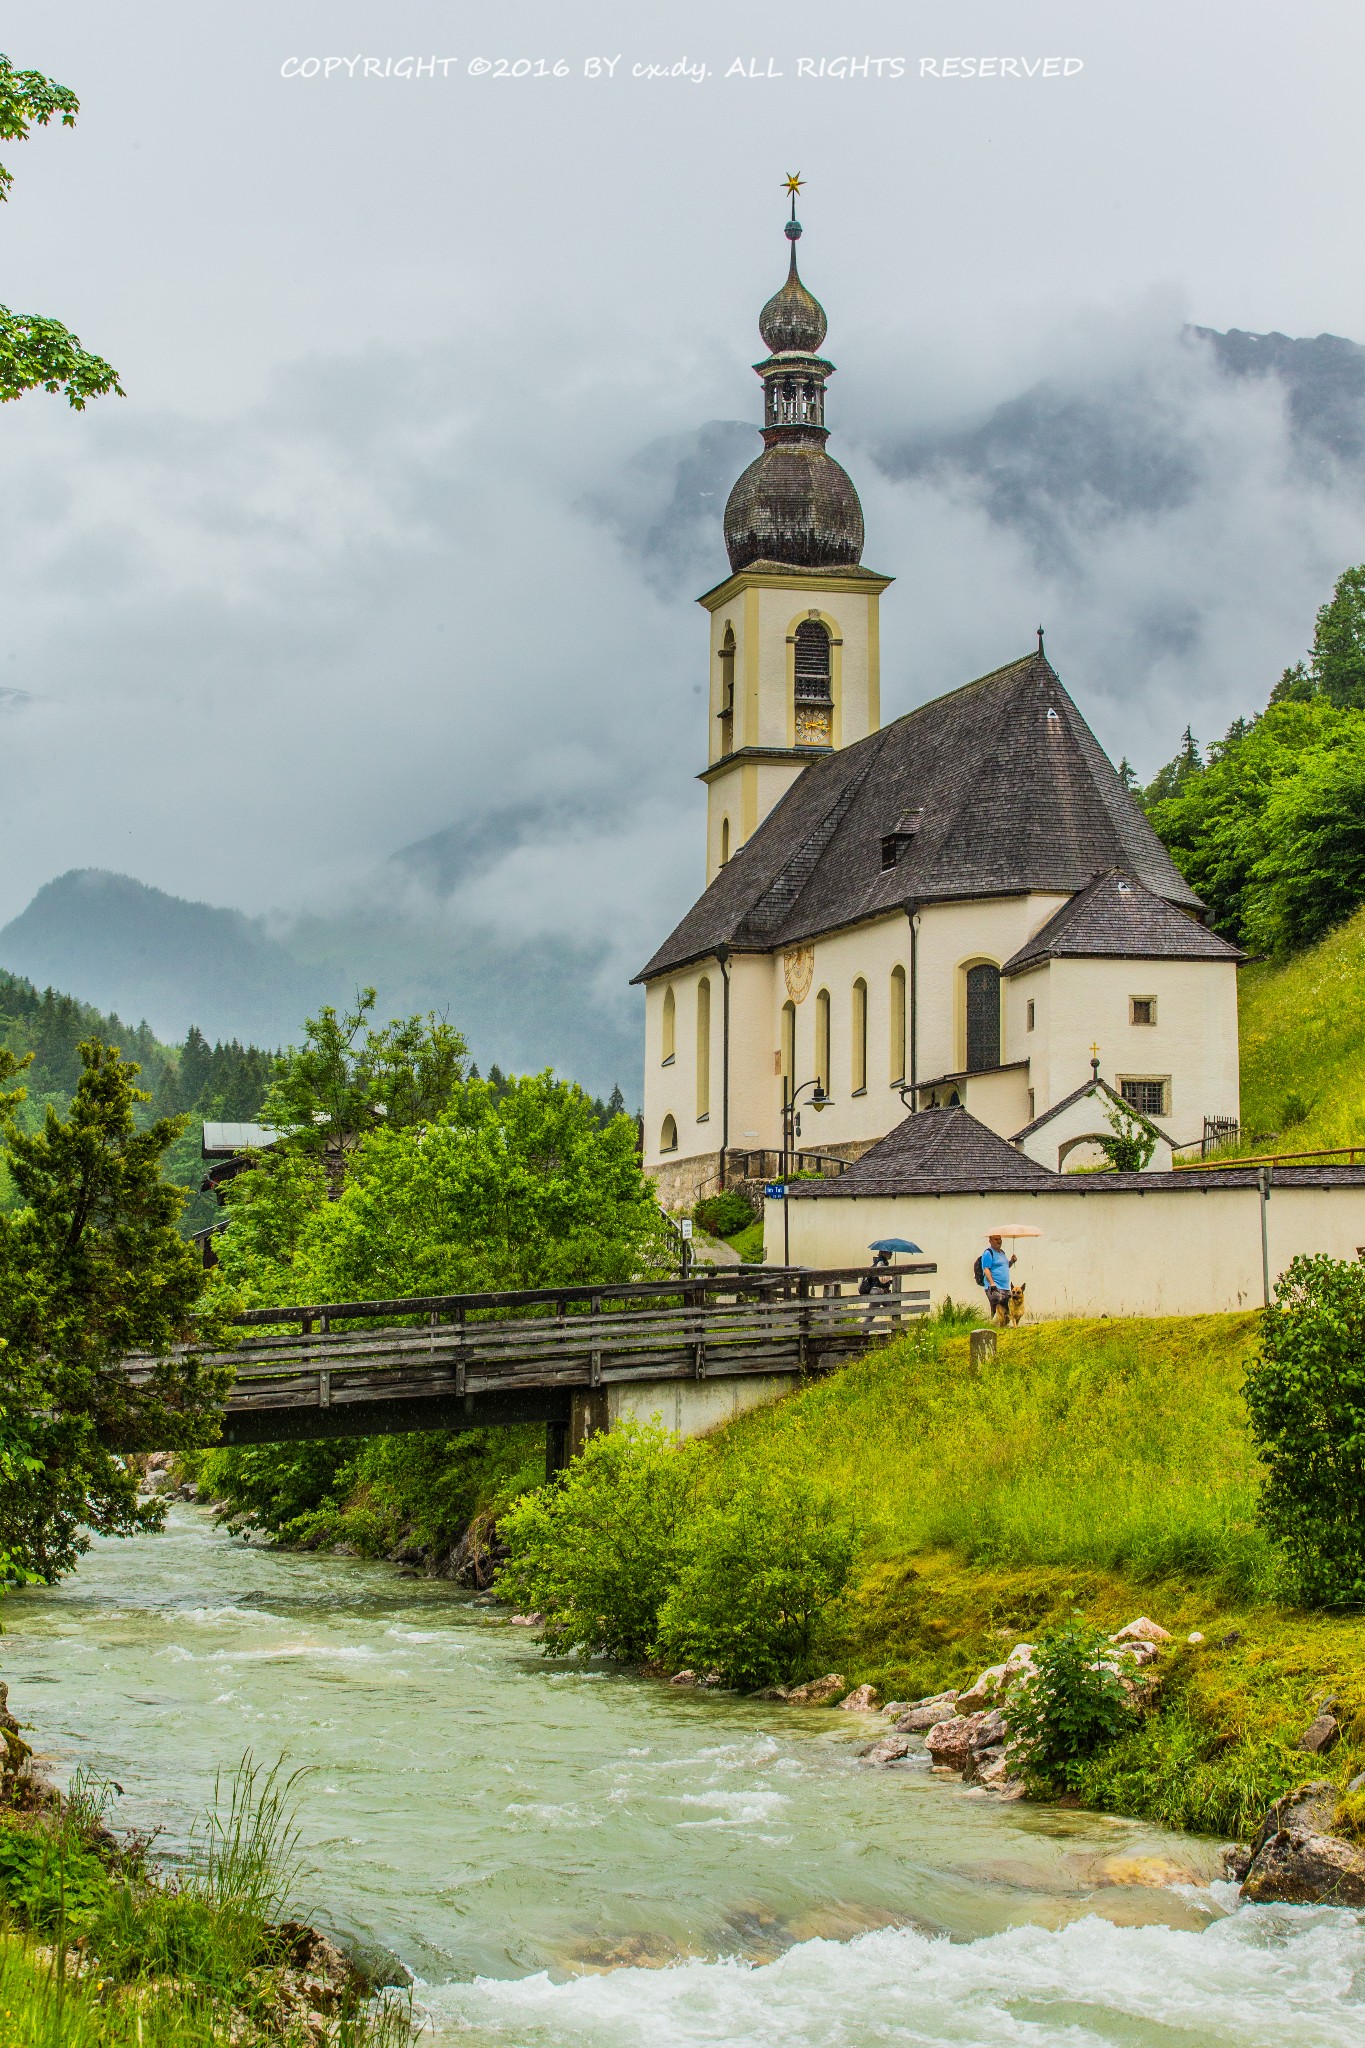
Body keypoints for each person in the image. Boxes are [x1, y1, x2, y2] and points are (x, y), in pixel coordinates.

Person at [978, 1234, 1016, 1324]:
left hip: (1005, 1287)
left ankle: (1001, 1328)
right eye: (996, 1239)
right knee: (997, 1307)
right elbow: (986, 1269)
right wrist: (992, 1283)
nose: (999, 1241)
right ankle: (992, 1329)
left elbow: (1005, 1266)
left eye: (1000, 1239)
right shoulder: (988, 1253)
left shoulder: (1002, 1253)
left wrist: (1012, 1261)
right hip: (994, 1287)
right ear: (990, 1241)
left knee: (1008, 1310)